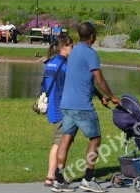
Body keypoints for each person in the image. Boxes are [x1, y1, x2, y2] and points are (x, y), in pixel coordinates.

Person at [53, 22, 119, 193]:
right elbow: (99, 79)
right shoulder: (90, 54)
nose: (96, 37)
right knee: (95, 139)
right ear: (92, 36)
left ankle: (58, 179)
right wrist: (111, 97)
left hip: (66, 104)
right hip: (82, 106)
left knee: (66, 139)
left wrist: (100, 97)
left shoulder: (73, 52)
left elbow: (84, 80)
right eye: (95, 35)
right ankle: (88, 179)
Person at [42, 33, 73, 188]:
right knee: (59, 143)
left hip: (51, 106)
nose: (73, 49)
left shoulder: (51, 62)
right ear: (64, 47)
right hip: (61, 107)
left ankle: (56, 175)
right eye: (71, 46)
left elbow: (44, 85)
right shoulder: (65, 64)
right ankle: (51, 176)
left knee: (60, 142)